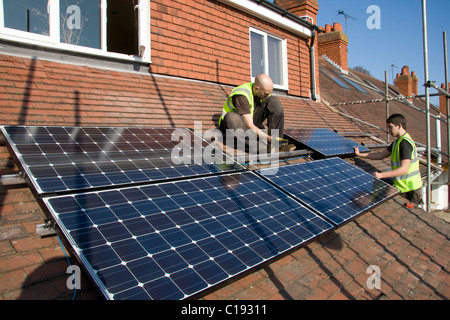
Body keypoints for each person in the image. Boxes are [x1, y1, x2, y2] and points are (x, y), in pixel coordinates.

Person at [354, 113, 423, 207]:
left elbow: (404, 169)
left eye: (390, 127)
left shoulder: (405, 143)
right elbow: (380, 155)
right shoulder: (397, 142)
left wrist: (381, 175)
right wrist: (360, 154)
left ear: (399, 126)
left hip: (410, 189)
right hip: (402, 187)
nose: (388, 130)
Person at [218, 74, 294, 153]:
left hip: (249, 122)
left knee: (274, 101)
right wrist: (269, 138)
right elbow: (249, 125)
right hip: (232, 126)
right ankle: (262, 148)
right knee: (232, 118)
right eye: (266, 94)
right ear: (257, 88)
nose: (267, 95)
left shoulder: (261, 93)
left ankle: (276, 146)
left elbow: (254, 118)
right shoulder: (241, 95)